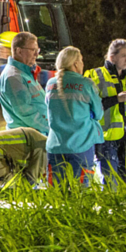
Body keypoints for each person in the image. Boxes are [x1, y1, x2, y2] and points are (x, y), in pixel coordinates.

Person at [45, 46, 104, 186]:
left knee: (57, 196)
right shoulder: (85, 84)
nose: (83, 64)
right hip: (81, 145)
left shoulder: (50, 84)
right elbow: (99, 114)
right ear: (75, 63)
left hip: (55, 146)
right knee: (80, 195)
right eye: (81, 60)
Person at [85, 39, 126, 186]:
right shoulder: (95, 75)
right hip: (107, 137)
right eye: (123, 55)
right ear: (112, 56)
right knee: (111, 182)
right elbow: (88, 106)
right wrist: (116, 99)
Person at [0, 31, 49, 136]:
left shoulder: (25, 73)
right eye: (32, 50)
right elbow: (27, 113)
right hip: (28, 139)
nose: (36, 54)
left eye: (37, 50)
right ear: (18, 51)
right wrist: (52, 127)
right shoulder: (13, 77)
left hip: (36, 134)